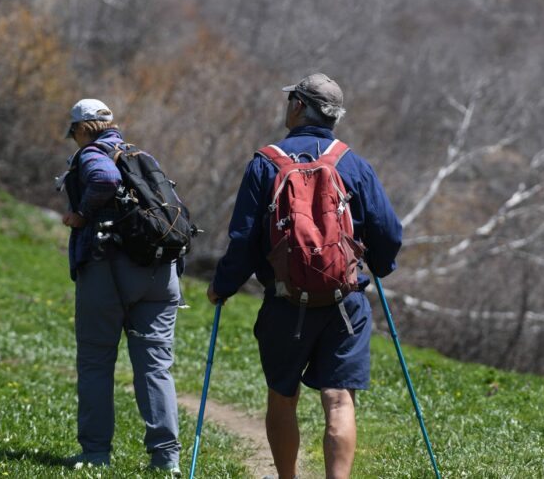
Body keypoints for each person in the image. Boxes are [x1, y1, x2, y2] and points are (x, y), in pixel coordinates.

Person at [206, 74, 402, 479]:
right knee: (338, 400)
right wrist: (380, 265)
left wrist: (221, 287)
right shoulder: (352, 163)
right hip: (344, 304)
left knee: (282, 396)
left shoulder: (265, 162)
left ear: (298, 106)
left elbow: (243, 239)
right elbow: (388, 231)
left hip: (285, 301)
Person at [60, 98, 182, 474]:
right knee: (155, 367)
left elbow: (104, 179)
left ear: (81, 130)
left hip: (108, 272)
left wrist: (81, 214)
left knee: (96, 362)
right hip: (161, 275)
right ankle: (166, 459)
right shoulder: (141, 155)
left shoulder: (92, 156)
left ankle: (95, 453)